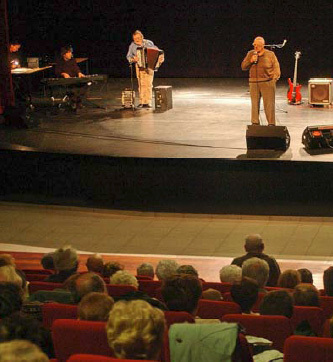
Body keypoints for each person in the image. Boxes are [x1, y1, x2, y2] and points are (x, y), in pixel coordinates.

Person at [241, 36, 280, 126]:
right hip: (253, 83)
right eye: (254, 44)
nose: (255, 47)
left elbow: (276, 67)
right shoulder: (250, 54)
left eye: (257, 45)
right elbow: (243, 66)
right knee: (254, 104)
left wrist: (274, 79)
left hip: (267, 82)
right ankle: (255, 123)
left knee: (269, 105)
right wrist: (251, 60)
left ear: (262, 45)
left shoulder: (270, 54)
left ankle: (271, 124)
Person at [126, 30, 164, 108]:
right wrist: (134, 58)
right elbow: (128, 56)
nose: (137, 40)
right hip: (139, 66)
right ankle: (142, 101)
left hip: (149, 66)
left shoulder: (149, 43)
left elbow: (157, 51)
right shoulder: (132, 45)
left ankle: (148, 102)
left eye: (138, 38)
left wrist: (159, 56)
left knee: (148, 84)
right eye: (135, 38)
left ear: (142, 37)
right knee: (141, 84)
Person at [54, 45, 87, 110]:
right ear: (64, 54)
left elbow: (76, 68)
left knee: (86, 84)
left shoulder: (72, 60)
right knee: (72, 87)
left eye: (70, 52)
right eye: (69, 52)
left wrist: (79, 73)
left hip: (73, 79)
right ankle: (74, 102)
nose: (71, 54)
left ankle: (77, 101)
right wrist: (63, 73)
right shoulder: (59, 62)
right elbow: (56, 72)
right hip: (64, 81)